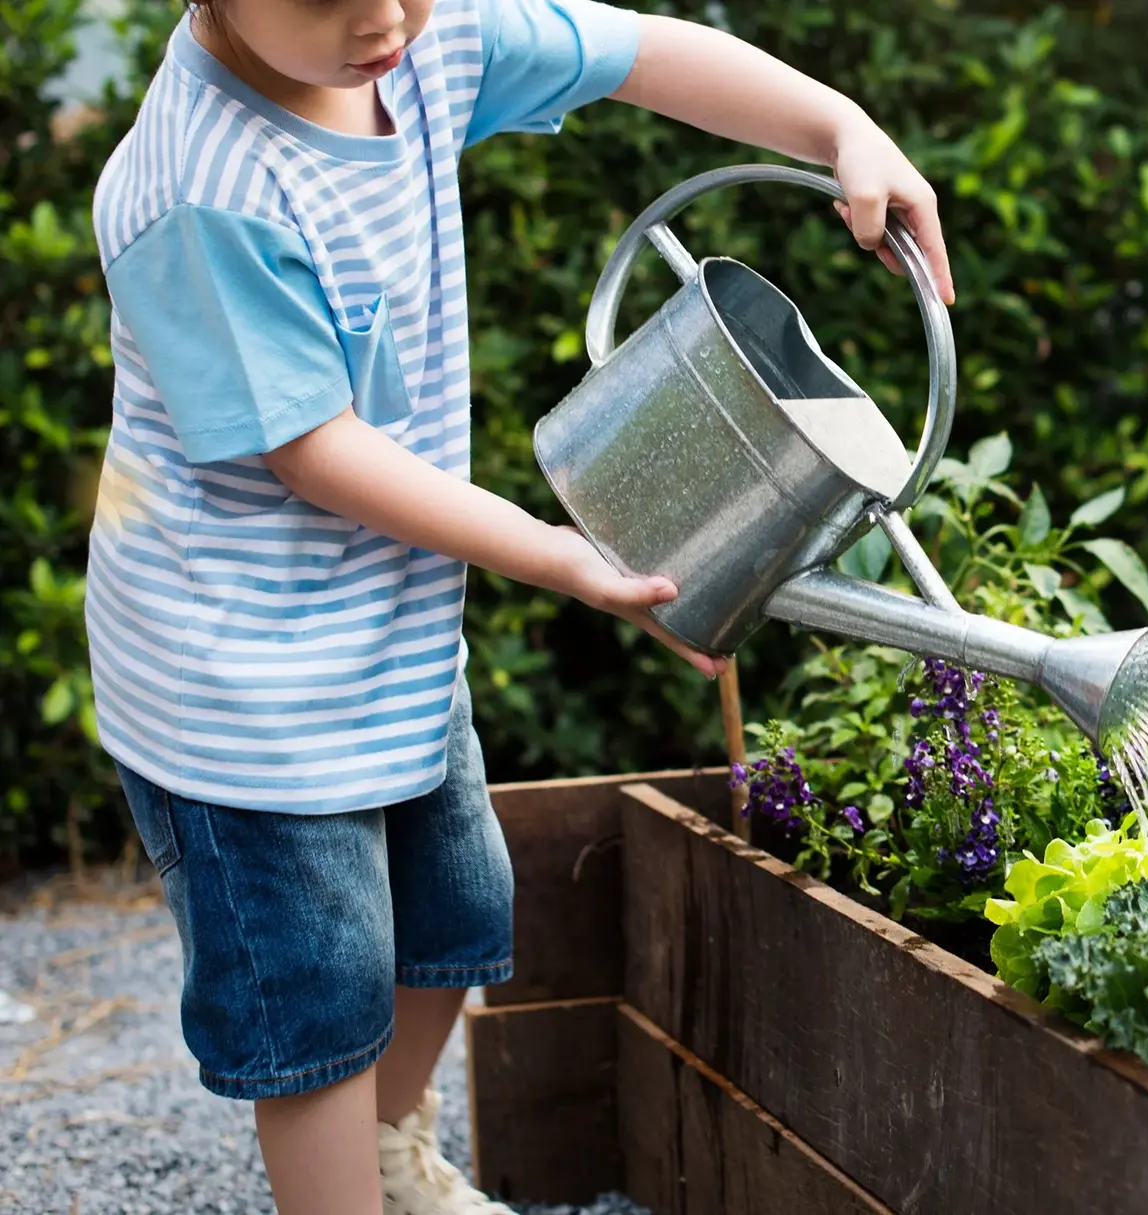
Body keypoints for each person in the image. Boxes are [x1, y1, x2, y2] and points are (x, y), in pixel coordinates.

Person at [88, 0, 954, 1210]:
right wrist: (563, 555)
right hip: (243, 688)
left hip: (383, 632)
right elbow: (316, 451)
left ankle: (392, 1160)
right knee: (321, 997)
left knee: (456, 906)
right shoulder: (202, 187)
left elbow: (641, 55)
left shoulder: (422, 48)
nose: (385, 17)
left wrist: (839, 127)